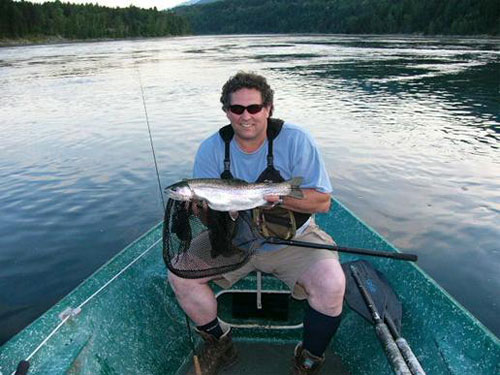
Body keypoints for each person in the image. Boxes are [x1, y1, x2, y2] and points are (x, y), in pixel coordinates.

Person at [168, 72, 345, 375]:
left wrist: (278, 197)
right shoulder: (211, 148)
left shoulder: (296, 140)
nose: (246, 116)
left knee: (332, 284)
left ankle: (308, 358)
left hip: (292, 239)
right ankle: (220, 344)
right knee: (179, 275)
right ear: (227, 111)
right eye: (237, 109)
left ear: (269, 108)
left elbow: (322, 202)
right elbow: (208, 218)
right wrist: (198, 210)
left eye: (254, 108)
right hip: (232, 239)